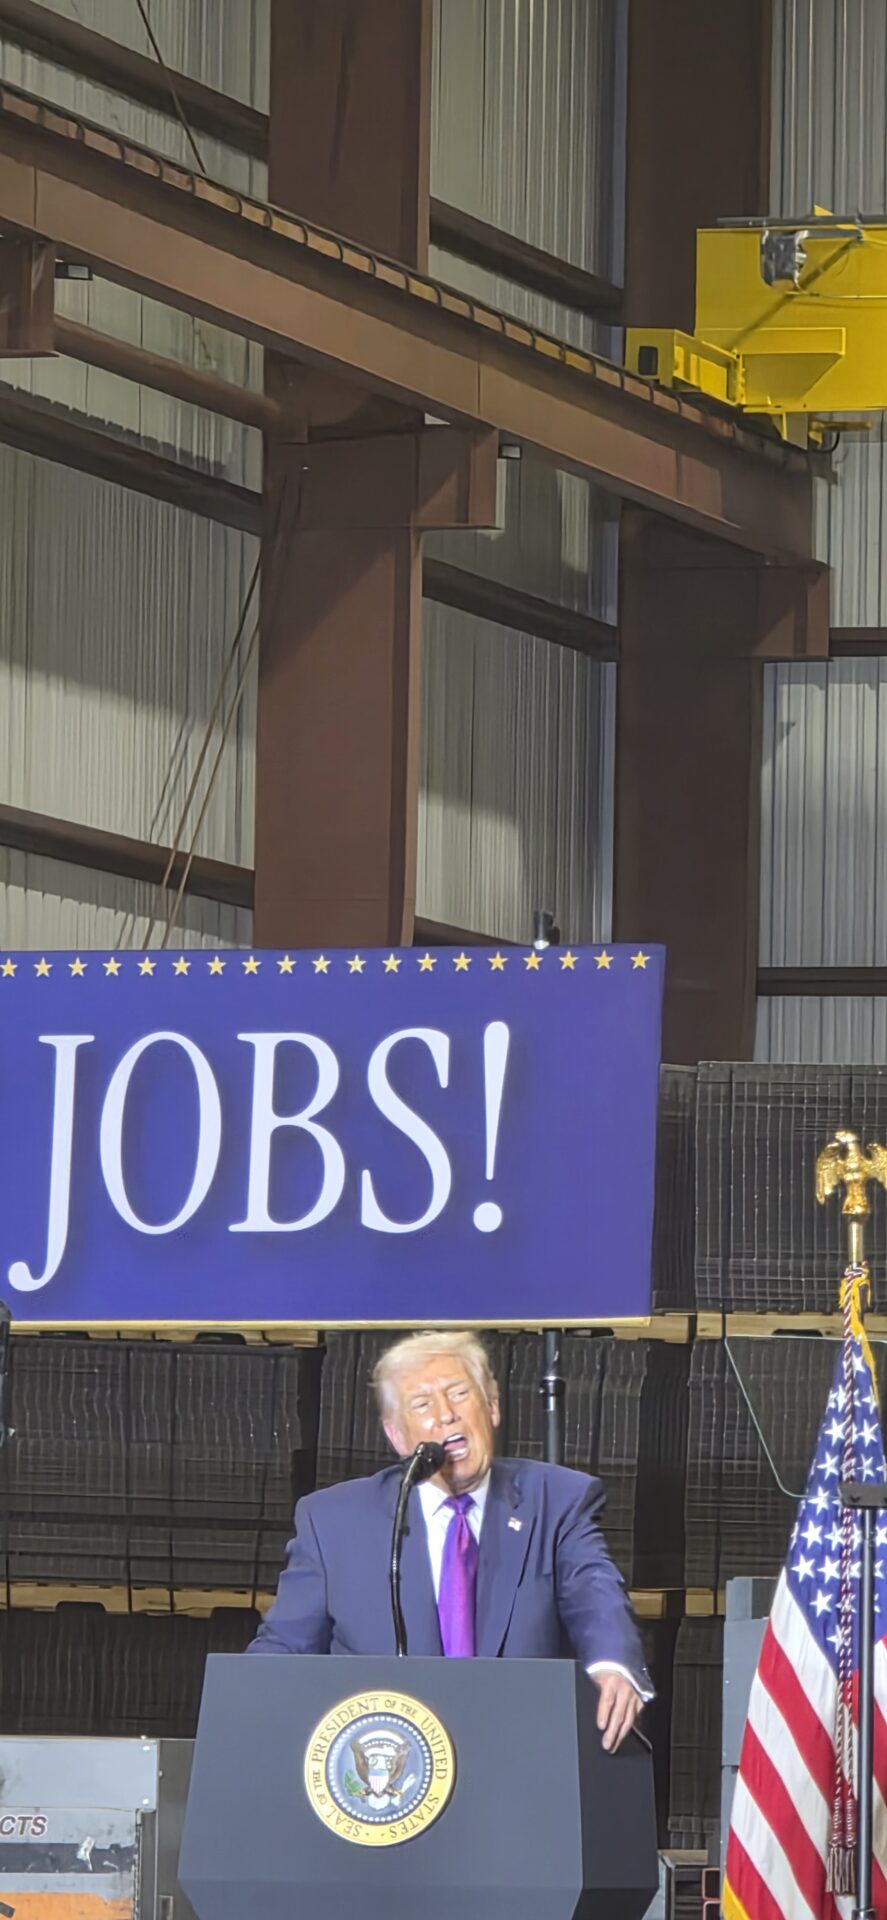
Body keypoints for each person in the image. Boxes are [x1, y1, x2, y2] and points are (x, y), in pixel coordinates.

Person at [247, 1330, 652, 1751]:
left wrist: (613, 1665)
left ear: (492, 1407)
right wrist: (243, 1708)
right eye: (422, 1404)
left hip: (521, 1752)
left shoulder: (557, 1501)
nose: (446, 1415)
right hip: (387, 1763)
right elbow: (285, 1647)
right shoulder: (333, 1521)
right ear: (398, 1436)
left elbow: (594, 1592)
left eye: (459, 1394)